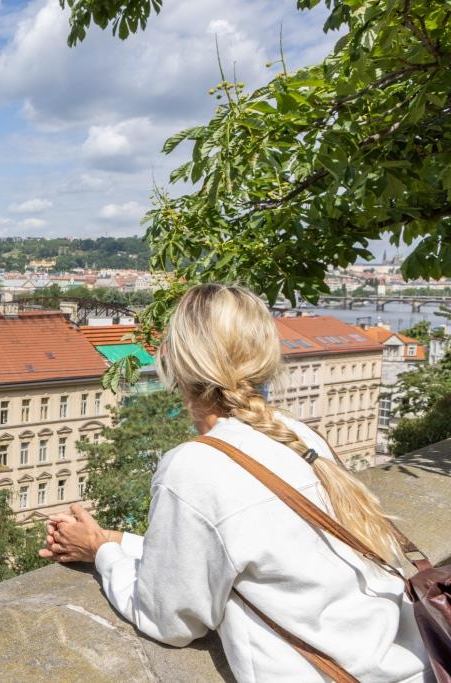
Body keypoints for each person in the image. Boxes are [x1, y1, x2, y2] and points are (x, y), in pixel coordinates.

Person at [41, 283, 429, 682]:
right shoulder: (296, 435)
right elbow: (257, 551)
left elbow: (169, 617)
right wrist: (115, 541)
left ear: (175, 365)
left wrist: (102, 557)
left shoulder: (195, 466)